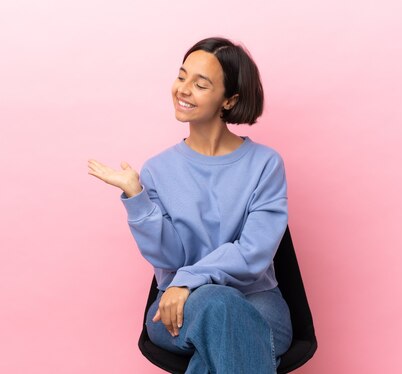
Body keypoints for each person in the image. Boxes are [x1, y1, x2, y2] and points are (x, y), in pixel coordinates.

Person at [88, 36, 292, 373]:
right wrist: (137, 198)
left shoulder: (265, 164)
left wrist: (186, 280)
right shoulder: (158, 169)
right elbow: (169, 258)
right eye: (182, 76)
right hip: (177, 310)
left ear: (229, 100)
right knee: (219, 310)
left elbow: (254, 253)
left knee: (220, 327)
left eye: (200, 84)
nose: (183, 89)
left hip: (257, 302)